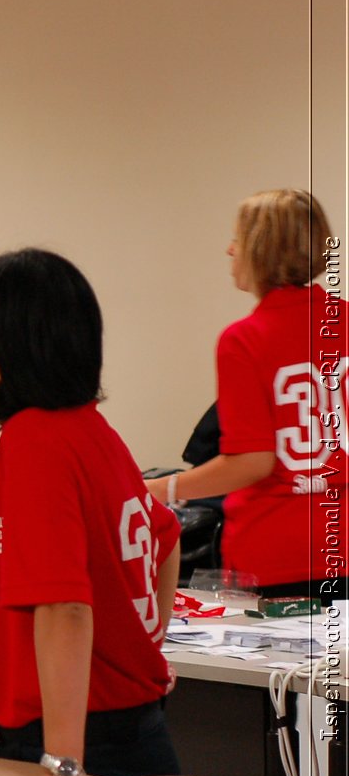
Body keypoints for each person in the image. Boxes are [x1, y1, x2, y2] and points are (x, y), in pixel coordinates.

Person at [0, 249, 180, 776]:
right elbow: (165, 537)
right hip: (122, 732)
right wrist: (141, 641)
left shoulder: (38, 444)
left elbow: (64, 608)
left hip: (82, 748)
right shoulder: (91, 431)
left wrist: (61, 770)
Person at [146, 190, 343, 600]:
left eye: (237, 238)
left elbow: (251, 462)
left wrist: (164, 489)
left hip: (281, 552)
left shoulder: (244, 340)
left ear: (261, 249)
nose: (229, 249)